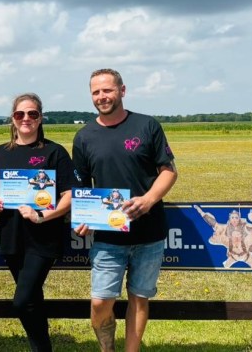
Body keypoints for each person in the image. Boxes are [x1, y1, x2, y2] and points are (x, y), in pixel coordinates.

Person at [72, 69, 178, 352]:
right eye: (96, 92)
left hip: (149, 232)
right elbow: (81, 188)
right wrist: (84, 217)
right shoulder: (84, 137)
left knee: (139, 298)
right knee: (100, 303)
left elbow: (168, 171)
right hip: (108, 237)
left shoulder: (147, 125)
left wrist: (148, 199)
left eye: (107, 90)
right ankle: (107, 348)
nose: (102, 97)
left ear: (122, 90)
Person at [0, 93, 76, 352]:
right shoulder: (2, 153)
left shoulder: (54, 152)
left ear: (40, 118)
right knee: (32, 300)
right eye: (20, 114)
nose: (26, 119)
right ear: (12, 119)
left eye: (32, 114)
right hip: (12, 236)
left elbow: (69, 195)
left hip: (44, 238)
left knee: (22, 300)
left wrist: (43, 216)